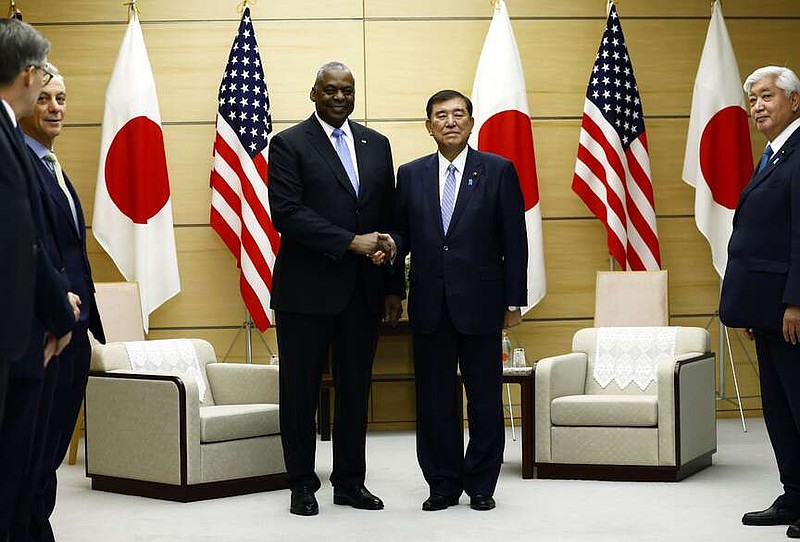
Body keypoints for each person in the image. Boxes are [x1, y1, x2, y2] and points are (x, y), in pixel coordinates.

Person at [267, 61, 401, 516]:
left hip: (363, 293)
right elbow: (286, 213)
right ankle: (302, 483)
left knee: (354, 391)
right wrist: (349, 242)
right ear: (313, 94)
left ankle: (349, 482)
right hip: (305, 293)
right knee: (300, 393)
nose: (339, 97)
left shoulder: (377, 145)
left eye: (347, 90)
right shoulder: (288, 144)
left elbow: (388, 219)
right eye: (330, 90)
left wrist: (392, 286)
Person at [387, 90, 527, 512]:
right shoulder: (410, 174)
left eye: (458, 114)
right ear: (428, 125)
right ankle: (443, 483)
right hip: (430, 303)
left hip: (482, 303)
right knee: (434, 400)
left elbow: (514, 241)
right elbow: (401, 235)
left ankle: (482, 483)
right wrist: (394, 289)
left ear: (471, 122)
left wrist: (513, 300)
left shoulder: (498, 170)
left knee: (484, 398)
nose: (450, 122)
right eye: (440, 116)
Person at [18, 69, 105, 542]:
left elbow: (73, 250)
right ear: (26, 101)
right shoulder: (21, 167)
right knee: (33, 450)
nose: (55, 108)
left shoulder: (54, 165)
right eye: (46, 98)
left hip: (76, 333)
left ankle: (39, 524)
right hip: (45, 334)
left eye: (63, 99)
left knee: (50, 453)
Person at [0, 19, 77, 542]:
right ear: (28, 76)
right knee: (15, 465)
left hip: (42, 325)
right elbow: (23, 242)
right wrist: (58, 312)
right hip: (24, 333)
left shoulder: (35, 153)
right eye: (45, 89)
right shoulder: (9, 141)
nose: (52, 104)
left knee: (32, 458)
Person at [719, 66, 800, 539]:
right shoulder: (773, 154)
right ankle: (794, 494)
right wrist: (756, 308)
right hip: (767, 312)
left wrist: (794, 302)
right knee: (779, 409)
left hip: (791, 313)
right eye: (752, 100)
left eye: (767, 96)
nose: (758, 107)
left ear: (793, 101)